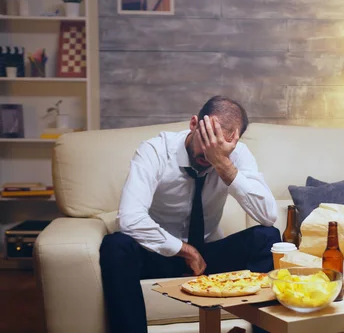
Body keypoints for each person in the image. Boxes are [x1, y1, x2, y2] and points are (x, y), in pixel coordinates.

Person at [99, 95, 280, 333]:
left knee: (268, 237)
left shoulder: (235, 155)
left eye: (220, 146)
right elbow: (130, 218)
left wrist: (223, 164)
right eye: (206, 140)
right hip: (160, 254)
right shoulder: (155, 150)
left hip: (209, 257)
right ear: (194, 124)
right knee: (116, 245)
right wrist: (183, 250)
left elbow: (268, 216)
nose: (210, 153)